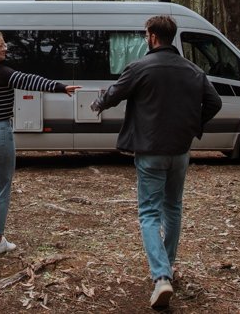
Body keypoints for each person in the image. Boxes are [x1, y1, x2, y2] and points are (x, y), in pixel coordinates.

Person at [90, 15, 222, 309]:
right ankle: (169, 266)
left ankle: (161, 275)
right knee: (172, 208)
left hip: (150, 151)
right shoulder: (193, 71)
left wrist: (98, 103)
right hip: (180, 151)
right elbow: (215, 103)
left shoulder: (140, 67)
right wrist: (194, 127)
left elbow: (115, 93)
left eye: (145, 34)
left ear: (152, 36)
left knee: (149, 212)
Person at [0, 30, 79, 254]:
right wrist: (60, 87)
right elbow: (30, 81)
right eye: (1, 45)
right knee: (1, 188)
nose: (6, 48)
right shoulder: (2, 73)